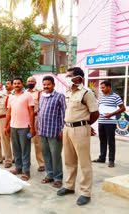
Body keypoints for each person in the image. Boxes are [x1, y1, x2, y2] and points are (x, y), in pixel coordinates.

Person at [57, 67, 99, 206]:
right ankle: (69, 186)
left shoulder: (87, 93)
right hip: (67, 128)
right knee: (69, 160)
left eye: (69, 76)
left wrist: (86, 124)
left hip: (80, 129)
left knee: (84, 161)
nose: (67, 78)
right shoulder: (69, 92)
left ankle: (85, 192)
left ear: (78, 78)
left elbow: (95, 113)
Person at [38, 76, 66, 188]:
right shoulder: (42, 96)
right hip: (43, 131)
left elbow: (64, 114)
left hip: (55, 132)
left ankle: (58, 178)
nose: (46, 86)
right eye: (44, 84)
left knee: (56, 155)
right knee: (46, 154)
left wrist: (62, 130)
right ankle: (49, 175)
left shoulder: (60, 97)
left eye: (48, 84)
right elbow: (40, 111)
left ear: (53, 85)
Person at [4, 78, 35, 181]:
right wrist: (6, 125)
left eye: (18, 83)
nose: (16, 85)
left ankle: (26, 172)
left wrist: (32, 127)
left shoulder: (28, 96)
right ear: (12, 85)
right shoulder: (10, 97)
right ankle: (18, 168)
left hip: (24, 127)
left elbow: (31, 112)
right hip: (13, 127)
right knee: (16, 149)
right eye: (15, 83)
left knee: (25, 150)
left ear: (22, 85)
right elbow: (9, 112)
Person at [92, 81, 126, 167]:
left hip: (110, 123)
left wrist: (111, 114)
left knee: (110, 141)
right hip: (101, 122)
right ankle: (102, 158)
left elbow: (123, 108)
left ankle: (111, 160)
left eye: (103, 87)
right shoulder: (101, 97)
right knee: (102, 141)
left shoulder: (116, 97)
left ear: (109, 87)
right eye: (101, 88)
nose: (101, 89)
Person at [26, 76, 45, 172]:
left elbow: (42, 105)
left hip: (36, 118)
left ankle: (41, 163)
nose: (30, 82)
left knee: (37, 142)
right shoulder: (24, 93)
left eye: (32, 81)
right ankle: (26, 162)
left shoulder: (39, 93)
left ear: (35, 83)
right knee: (25, 141)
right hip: (24, 120)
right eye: (28, 81)